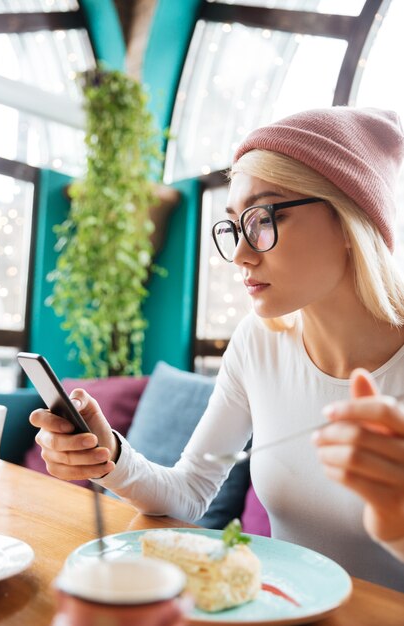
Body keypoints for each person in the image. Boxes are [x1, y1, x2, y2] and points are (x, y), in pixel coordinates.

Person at [31, 107, 404, 592]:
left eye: (262, 219)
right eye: (233, 226)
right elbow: (188, 494)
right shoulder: (259, 342)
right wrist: (108, 454)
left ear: (351, 218)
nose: (243, 254)